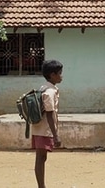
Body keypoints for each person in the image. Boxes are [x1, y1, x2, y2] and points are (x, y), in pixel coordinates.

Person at [31, 59, 63, 188]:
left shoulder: (44, 88)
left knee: (41, 157)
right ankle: (41, 186)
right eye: (59, 73)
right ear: (52, 75)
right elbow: (49, 113)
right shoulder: (50, 92)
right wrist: (56, 135)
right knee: (41, 158)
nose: (61, 76)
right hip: (44, 129)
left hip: (39, 128)